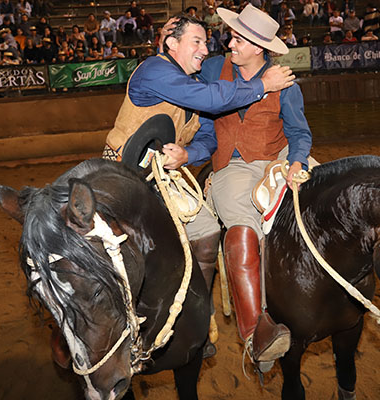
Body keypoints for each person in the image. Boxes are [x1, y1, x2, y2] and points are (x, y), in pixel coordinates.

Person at [102, 14, 295, 346]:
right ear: (171, 44)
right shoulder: (155, 70)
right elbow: (212, 100)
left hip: (164, 179)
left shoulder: (193, 84)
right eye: (197, 42)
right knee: (110, 259)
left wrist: (187, 156)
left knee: (207, 231)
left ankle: (197, 320)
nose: (205, 50)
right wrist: (264, 84)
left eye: (207, 42)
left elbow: (207, 138)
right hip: (122, 174)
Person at [178, 4, 313, 372]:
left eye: (237, 38)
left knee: (326, 197)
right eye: (232, 36)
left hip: (278, 158)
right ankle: (256, 332)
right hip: (232, 165)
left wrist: (298, 161)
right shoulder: (210, 68)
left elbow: (299, 131)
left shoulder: (284, 81)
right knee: (239, 225)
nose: (229, 42)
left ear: (258, 47)